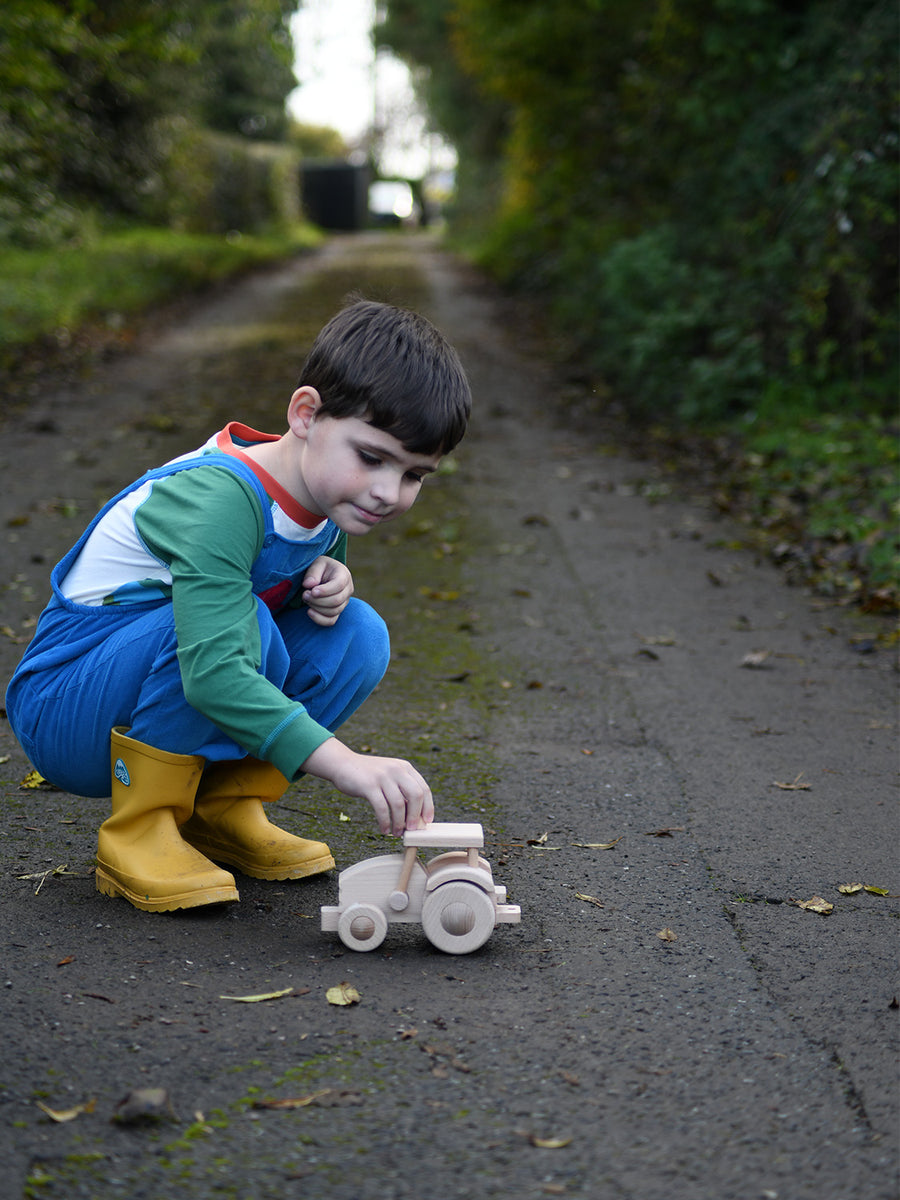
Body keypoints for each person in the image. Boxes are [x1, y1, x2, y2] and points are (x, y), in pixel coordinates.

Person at [5, 299, 471, 912]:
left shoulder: (325, 498)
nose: (388, 492)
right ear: (305, 414)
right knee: (243, 629)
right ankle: (139, 829)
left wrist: (329, 579)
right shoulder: (222, 499)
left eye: (415, 475)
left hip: (151, 677)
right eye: (372, 457)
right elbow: (217, 668)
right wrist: (345, 765)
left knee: (357, 633)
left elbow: (273, 589)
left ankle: (220, 809)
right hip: (66, 705)